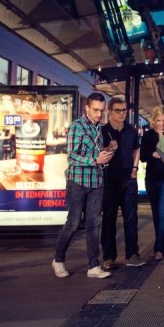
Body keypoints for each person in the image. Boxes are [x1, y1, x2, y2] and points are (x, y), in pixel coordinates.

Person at [52, 92, 114, 279]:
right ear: (87, 108)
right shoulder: (76, 127)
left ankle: (93, 266)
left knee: (94, 224)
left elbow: (96, 154)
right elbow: (71, 156)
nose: (98, 114)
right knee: (72, 223)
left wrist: (107, 152)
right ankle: (58, 259)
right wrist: (96, 159)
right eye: (95, 110)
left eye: (101, 111)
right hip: (78, 181)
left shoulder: (99, 128)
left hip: (96, 181)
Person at [100, 95, 143, 269]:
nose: (121, 114)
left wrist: (134, 169)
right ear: (109, 112)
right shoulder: (102, 131)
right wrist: (109, 147)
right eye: (118, 110)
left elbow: (136, 150)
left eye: (124, 110)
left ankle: (132, 254)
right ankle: (109, 256)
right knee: (109, 218)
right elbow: (99, 154)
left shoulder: (130, 131)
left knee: (131, 218)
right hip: (110, 180)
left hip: (129, 179)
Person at [142, 105, 164, 260]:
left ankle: (159, 248)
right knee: (156, 213)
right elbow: (143, 156)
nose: (162, 123)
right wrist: (153, 154)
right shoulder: (148, 135)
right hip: (152, 178)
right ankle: (162, 241)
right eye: (159, 120)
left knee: (162, 212)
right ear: (153, 121)